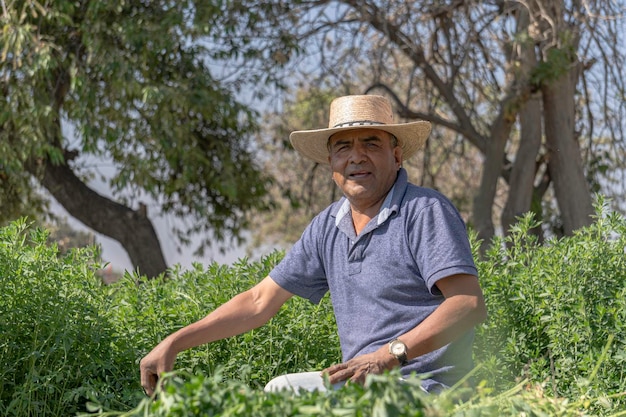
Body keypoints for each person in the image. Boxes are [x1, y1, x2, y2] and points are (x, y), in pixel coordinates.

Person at [140, 94, 487, 396]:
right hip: (360, 388)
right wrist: (176, 341)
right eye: (343, 147)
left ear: (396, 156)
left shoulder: (424, 211)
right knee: (281, 391)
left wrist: (386, 357)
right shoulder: (328, 227)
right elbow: (260, 301)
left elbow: (467, 304)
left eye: (371, 144)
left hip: (428, 387)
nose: (356, 157)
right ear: (331, 164)